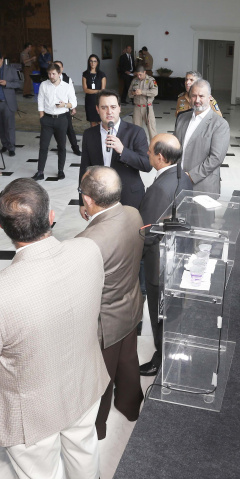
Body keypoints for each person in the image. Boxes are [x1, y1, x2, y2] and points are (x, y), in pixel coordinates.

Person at [0, 179, 107, 479]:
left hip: (30, 407)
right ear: (52, 216)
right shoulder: (88, 249)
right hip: (83, 380)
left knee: (41, 476)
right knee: (84, 452)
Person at [76, 166, 146, 441]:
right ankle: (130, 407)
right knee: (129, 361)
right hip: (132, 305)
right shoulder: (133, 213)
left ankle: (98, 427)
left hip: (106, 322)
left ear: (88, 200)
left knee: (101, 376)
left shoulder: (86, 242)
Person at [138, 134, 194, 376]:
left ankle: (161, 358)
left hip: (159, 266)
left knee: (158, 314)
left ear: (160, 157)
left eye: (150, 151)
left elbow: (146, 233)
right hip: (179, 257)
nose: (147, 154)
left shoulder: (160, 187)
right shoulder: (184, 176)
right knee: (172, 311)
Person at [78, 90, 150, 214]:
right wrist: (82, 201)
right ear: (97, 109)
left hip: (129, 196)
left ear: (119, 108)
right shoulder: (89, 134)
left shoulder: (136, 132)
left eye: (113, 107)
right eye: (104, 107)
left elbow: (146, 165)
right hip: (100, 198)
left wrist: (123, 151)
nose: (109, 112)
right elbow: (85, 168)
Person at [173, 78, 230, 196]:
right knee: (179, 214)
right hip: (178, 182)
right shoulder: (182, 118)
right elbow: (175, 146)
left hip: (203, 185)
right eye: (193, 96)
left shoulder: (220, 124)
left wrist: (191, 176)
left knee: (201, 215)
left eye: (201, 96)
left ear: (210, 97)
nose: (197, 100)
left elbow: (216, 158)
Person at [33, 63, 77, 180]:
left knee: (61, 146)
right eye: (49, 74)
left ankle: (60, 170)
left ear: (59, 74)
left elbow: (74, 102)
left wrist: (65, 105)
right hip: (47, 119)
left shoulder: (66, 86)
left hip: (62, 119)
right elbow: (40, 100)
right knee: (43, 146)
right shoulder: (44, 84)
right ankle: (40, 172)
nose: (51, 76)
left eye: (53, 74)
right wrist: (41, 116)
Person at [55, 60, 82, 155]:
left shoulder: (67, 79)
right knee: (57, 130)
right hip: (54, 109)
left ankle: (75, 148)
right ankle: (60, 148)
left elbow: (72, 94)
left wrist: (72, 107)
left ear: (62, 69)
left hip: (66, 108)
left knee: (70, 129)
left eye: (59, 67)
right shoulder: (49, 79)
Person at [128, 65, 159, 139]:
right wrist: (133, 93)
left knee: (151, 129)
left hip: (147, 107)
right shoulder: (134, 80)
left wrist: (142, 92)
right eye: (137, 74)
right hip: (137, 107)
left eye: (140, 74)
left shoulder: (151, 80)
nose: (138, 76)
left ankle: (154, 147)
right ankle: (137, 146)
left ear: (144, 72)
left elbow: (155, 92)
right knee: (136, 129)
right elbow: (129, 94)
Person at [82, 54, 106, 127]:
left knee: (100, 121)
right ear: (89, 62)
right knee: (92, 121)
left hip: (99, 100)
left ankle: (101, 137)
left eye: (95, 61)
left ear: (97, 62)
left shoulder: (102, 74)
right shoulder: (85, 74)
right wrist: (97, 91)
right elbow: (85, 90)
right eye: (91, 61)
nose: (93, 63)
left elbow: (103, 90)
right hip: (89, 100)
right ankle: (93, 137)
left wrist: (95, 91)